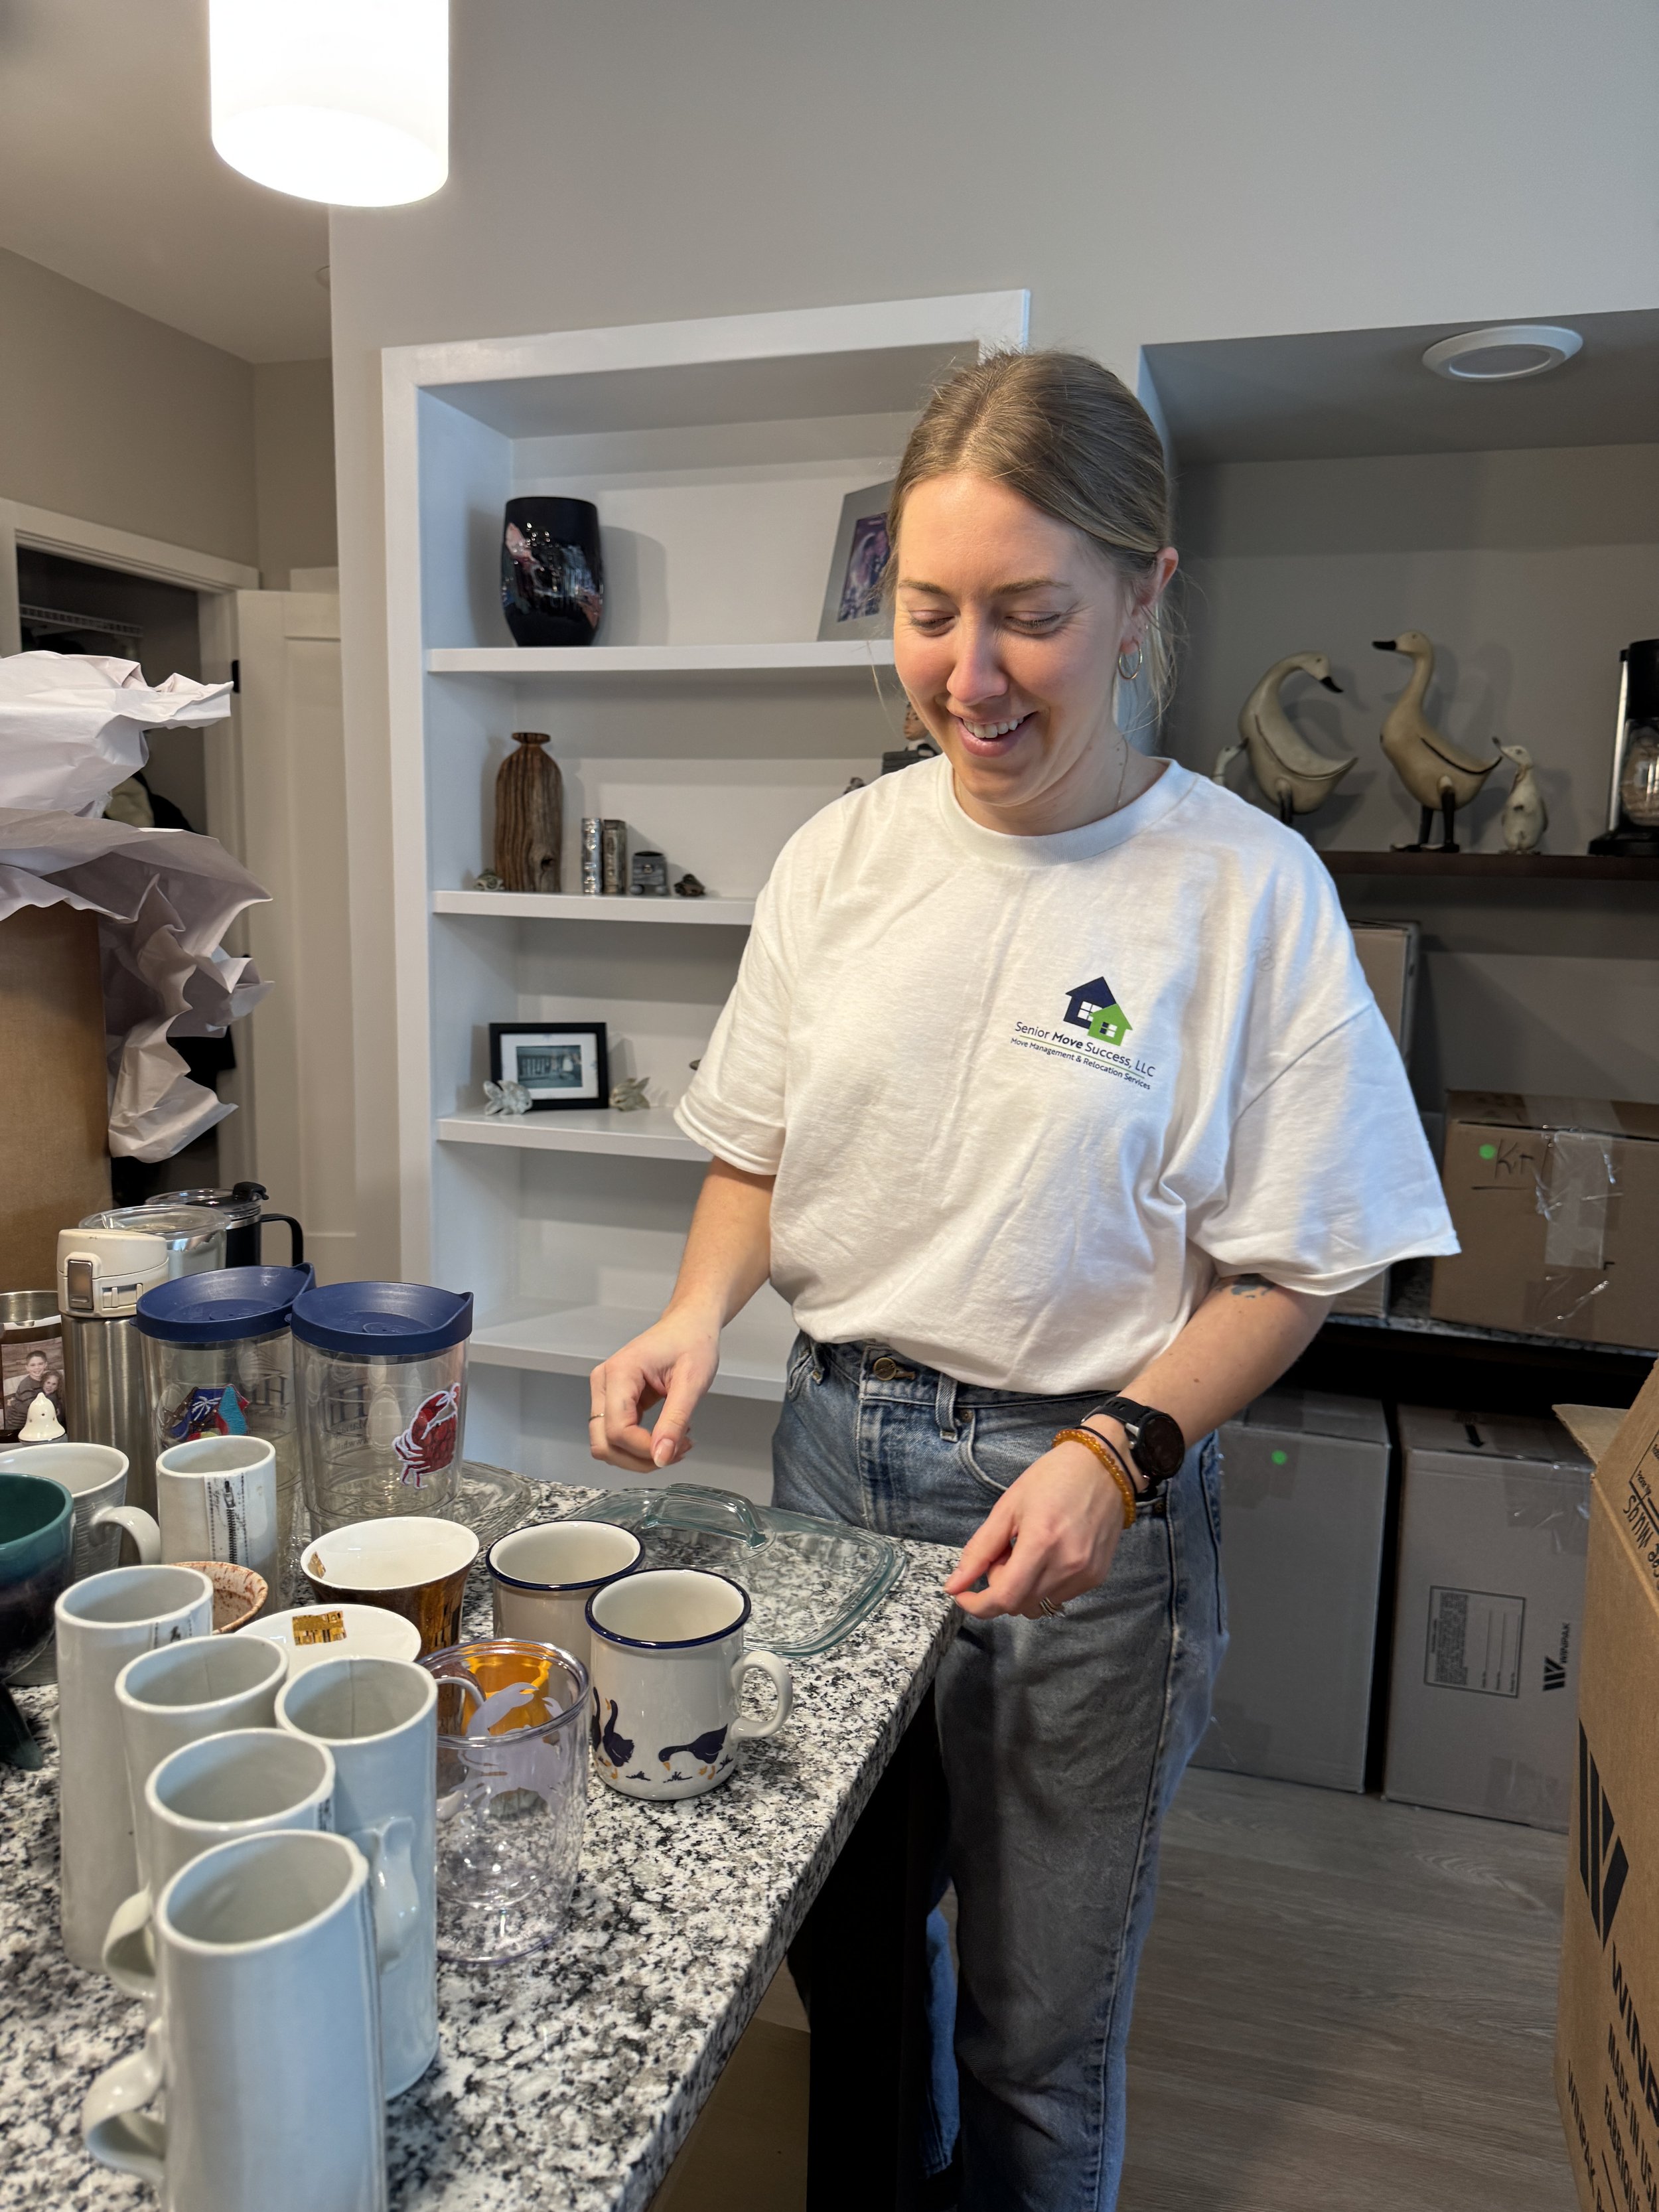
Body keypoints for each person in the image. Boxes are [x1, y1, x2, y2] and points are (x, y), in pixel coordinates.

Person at [589, 349, 1457, 2211]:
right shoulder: (841, 857)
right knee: (846, 1974)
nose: (968, 676)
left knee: (1035, 2039)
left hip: (1084, 1499)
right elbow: (757, 1153)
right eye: (927, 611)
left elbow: (1298, 1264)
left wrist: (1118, 1452)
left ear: (1144, 595)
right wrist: (694, 1310)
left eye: (1029, 616)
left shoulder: (1244, 892)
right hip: (832, 1465)